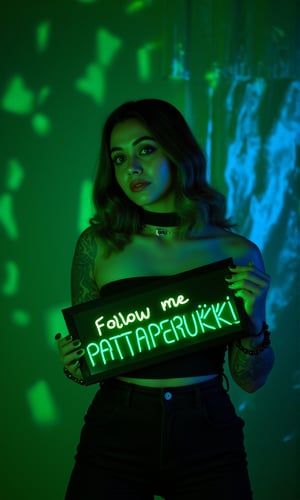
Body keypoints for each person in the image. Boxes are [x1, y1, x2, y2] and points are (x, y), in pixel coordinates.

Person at [55, 98, 275, 500]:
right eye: (118, 158)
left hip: (207, 431)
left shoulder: (237, 251)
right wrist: (74, 363)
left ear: (176, 150)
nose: (131, 168)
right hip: (116, 430)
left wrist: (255, 321)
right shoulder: (98, 246)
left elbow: (250, 379)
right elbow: (89, 362)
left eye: (145, 149)